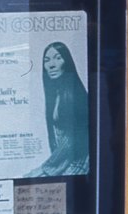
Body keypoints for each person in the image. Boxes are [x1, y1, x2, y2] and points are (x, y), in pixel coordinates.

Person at [25, 42, 89, 177]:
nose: (51, 64)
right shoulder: (57, 93)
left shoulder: (73, 95)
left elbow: (71, 140)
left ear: (67, 62)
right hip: (64, 158)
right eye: (46, 60)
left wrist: (45, 168)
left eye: (58, 58)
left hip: (79, 160)